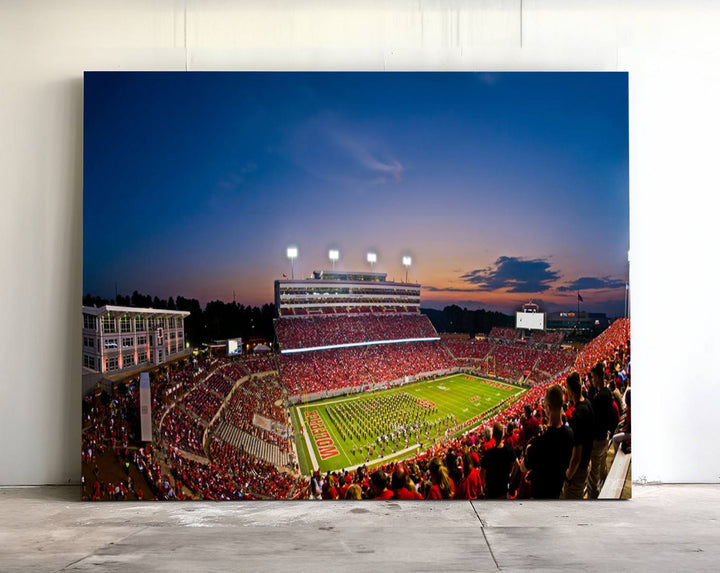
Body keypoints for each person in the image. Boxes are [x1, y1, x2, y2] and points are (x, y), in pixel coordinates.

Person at [522, 384, 574, 499]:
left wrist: (528, 450)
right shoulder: (570, 434)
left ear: (548, 408)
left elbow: (523, 467)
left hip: (541, 496)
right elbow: (553, 464)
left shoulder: (539, 443)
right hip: (558, 491)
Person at [562, 371, 594, 499]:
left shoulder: (577, 415)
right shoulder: (588, 404)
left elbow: (577, 454)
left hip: (578, 471)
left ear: (570, 390)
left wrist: (568, 475)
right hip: (586, 463)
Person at [587, 362, 617, 498]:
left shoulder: (601, 396)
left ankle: (595, 499)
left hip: (598, 438)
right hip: (604, 436)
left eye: (593, 377)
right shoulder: (605, 393)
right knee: (602, 465)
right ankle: (605, 484)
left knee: (593, 476)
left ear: (598, 377)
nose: (592, 380)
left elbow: (597, 418)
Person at [480, 422, 516, 499]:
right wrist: (510, 476)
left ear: (493, 435)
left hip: (491, 491)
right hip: (503, 489)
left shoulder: (489, 453)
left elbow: (481, 473)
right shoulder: (509, 450)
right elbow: (516, 465)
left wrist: (483, 486)